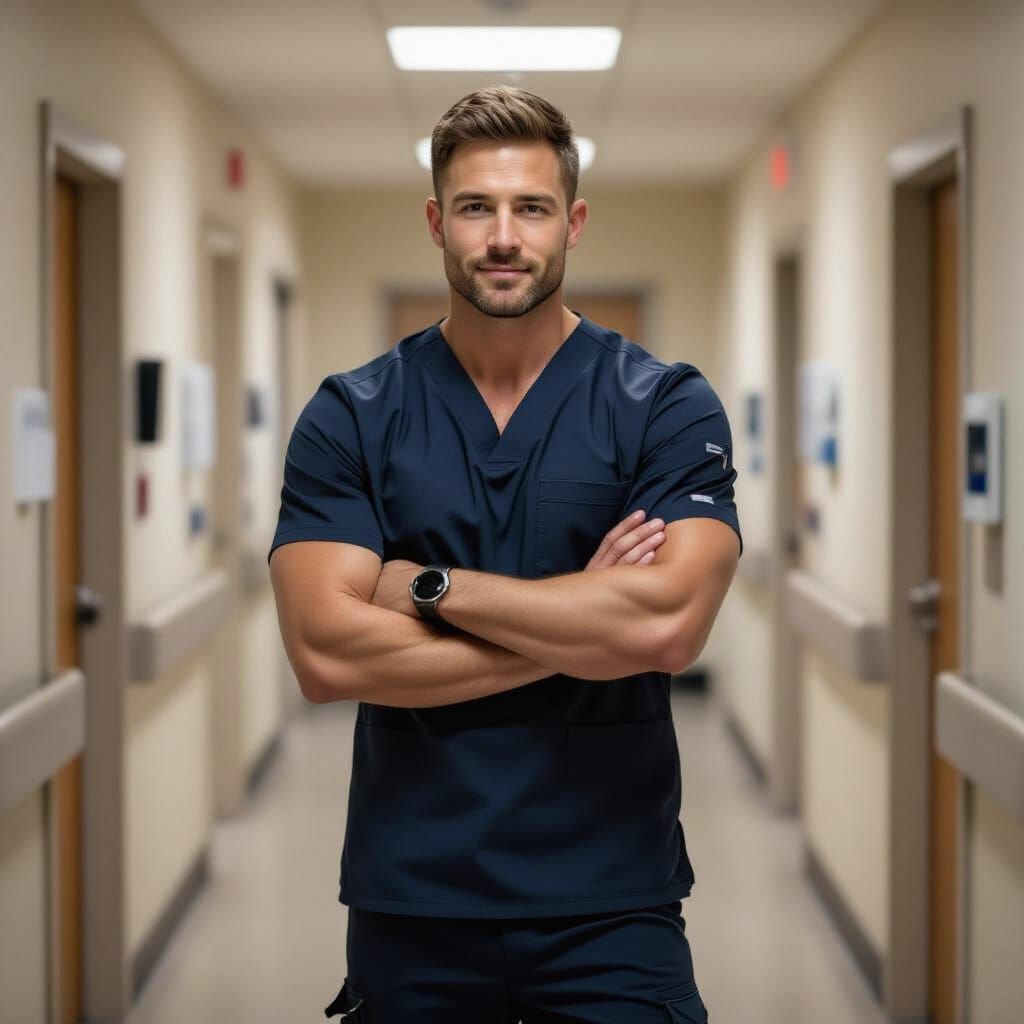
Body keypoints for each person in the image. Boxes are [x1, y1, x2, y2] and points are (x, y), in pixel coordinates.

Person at [269, 85, 741, 1024]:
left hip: (612, 901)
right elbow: (325, 655)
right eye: (477, 207)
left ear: (573, 221)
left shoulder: (665, 406)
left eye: (530, 208)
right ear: (438, 222)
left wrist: (431, 588)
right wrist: (584, 619)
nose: (503, 236)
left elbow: (670, 625)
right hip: (413, 900)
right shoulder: (351, 415)